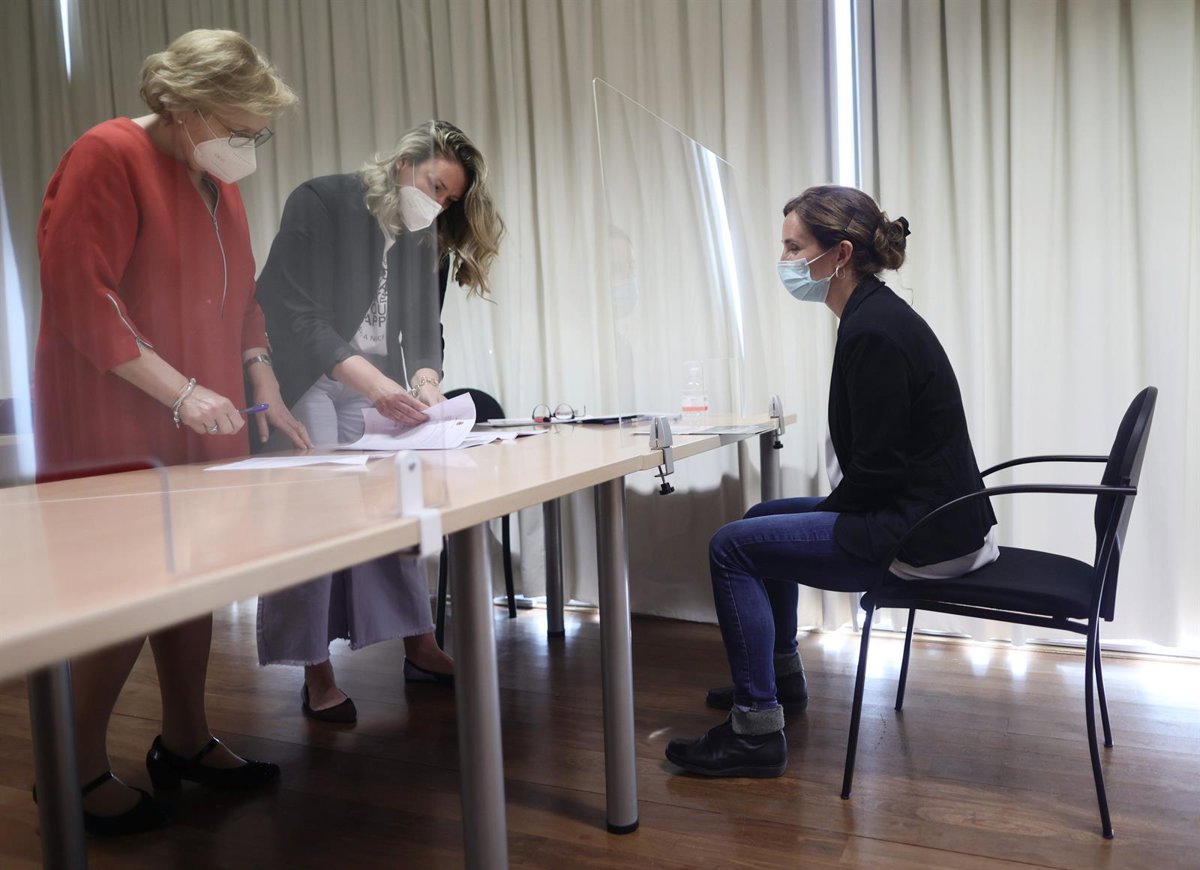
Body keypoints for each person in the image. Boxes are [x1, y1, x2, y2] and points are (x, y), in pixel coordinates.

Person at [33, 30, 313, 834]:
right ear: (186, 107)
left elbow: (242, 300)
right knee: (123, 591)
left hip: (206, 409)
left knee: (196, 577)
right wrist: (181, 392)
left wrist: (262, 377)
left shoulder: (214, 179)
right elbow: (82, 294)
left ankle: (185, 738)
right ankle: (71, 769)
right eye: (239, 126)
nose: (247, 144)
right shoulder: (107, 155)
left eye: (257, 132)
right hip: (119, 414)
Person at [665, 185, 998, 777]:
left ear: (840, 254)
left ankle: (755, 732)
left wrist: (824, 515)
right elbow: (880, 468)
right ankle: (780, 680)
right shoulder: (873, 314)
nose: (785, 261)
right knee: (758, 521)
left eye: (795, 248)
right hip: (929, 515)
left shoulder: (873, 332)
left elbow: (878, 472)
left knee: (731, 548)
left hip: (920, 536)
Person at [254, 120, 504, 723]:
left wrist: (426, 378)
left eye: (449, 199)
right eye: (434, 186)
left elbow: (423, 325)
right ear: (401, 164)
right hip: (310, 377)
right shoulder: (322, 201)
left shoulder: (423, 233)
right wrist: (371, 383)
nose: (438, 204)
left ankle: (419, 644)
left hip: (377, 384)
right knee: (315, 521)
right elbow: (290, 311)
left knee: (396, 511)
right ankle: (316, 670)